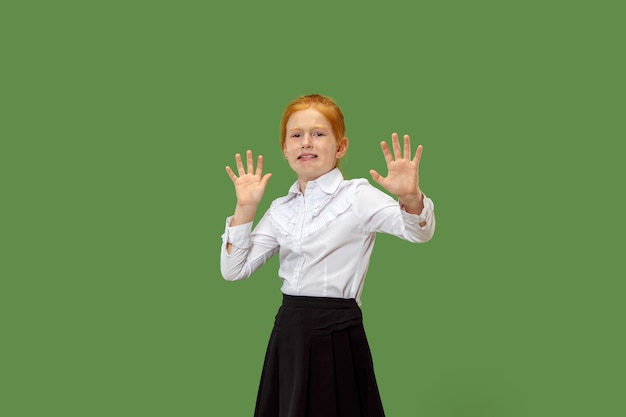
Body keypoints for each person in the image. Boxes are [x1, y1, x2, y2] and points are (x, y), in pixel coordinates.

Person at [220, 93, 435, 417]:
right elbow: (233, 270)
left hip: (338, 332)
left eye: (318, 133)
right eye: (296, 135)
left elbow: (419, 233)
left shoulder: (357, 196)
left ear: (340, 147)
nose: (306, 142)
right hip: (289, 332)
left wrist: (411, 197)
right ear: (285, 148)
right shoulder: (280, 209)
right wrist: (245, 209)